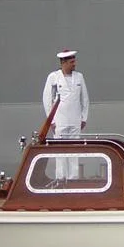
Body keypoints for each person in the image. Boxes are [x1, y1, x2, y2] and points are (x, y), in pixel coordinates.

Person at [41, 49, 90, 181]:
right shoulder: (53, 77)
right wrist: (51, 120)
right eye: (72, 62)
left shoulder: (79, 77)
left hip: (75, 119)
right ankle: (61, 179)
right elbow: (47, 99)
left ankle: (73, 178)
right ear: (64, 62)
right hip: (59, 119)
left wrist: (84, 117)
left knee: (74, 149)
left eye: (74, 61)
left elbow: (84, 99)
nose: (74, 64)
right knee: (60, 150)